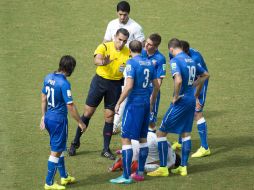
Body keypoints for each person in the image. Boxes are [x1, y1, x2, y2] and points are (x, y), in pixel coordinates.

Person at [147, 38, 209, 177]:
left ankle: (163, 168)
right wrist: (196, 91)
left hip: (180, 101)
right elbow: (205, 74)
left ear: (171, 49)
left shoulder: (175, 60)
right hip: (191, 100)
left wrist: (175, 96)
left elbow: (179, 80)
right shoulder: (191, 59)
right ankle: (183, 167)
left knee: (161, 133)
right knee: (186, 133)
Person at [68, 28, 130, 160]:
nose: (121, 43)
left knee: (109, 116)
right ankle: (75, 142)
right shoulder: (104, 47)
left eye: (124, 41)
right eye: (119, 40)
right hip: (99, 83)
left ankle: (106, 149)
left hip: (115, 85)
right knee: (88, 113)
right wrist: (103, 62)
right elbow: (96, 60)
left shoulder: (128, 52)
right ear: (115, 37)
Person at [110, 40, 160, 184]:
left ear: (129, 50)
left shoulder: (132, 63)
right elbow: (157, 86)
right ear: (143, 48)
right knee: (142, 138)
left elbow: (129, 86)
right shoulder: (150, 63)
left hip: (134, 105)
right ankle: (139, 173)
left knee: (126, 138)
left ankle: (126, 176)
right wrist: (151, 102)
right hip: (145, 104)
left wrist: (118, 103)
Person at [40, 55, 86, 190]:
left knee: (60, 148)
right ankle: (49, 183)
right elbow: (70, 106)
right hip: (58, 120)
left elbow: (43, 98)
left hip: (48, 117)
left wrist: (43, 116)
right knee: (55, 151)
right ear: (70, 68)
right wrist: (80, 122)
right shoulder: (64, 83)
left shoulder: (48, 77)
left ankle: (64, 176)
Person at [172, 40, 211, 158]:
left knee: (197, 112)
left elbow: (202, 77)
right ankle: (180, 141)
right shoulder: (175, 54)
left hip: (199, 82)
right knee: (183, 107)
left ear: (186, 51)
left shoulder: (195, 58)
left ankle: (205, 147)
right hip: (186, 82)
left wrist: (196, 96)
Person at [109, 130, 181, 173]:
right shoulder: (172, 161)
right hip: (145, 144)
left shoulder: (169, 146)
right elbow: (167, 165)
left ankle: (124, 161)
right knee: (158, 166)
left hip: (135, 138)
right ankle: (132, 166)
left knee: (147, 155)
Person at [141, 33, 166, 131]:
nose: (146, 45)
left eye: (149, 44)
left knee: (150, 121)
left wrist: (153, 98)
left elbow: (159, 81)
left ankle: (152, 143)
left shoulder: (160, 59)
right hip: (140, 90)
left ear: (156, 47)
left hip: (152, 91)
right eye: (146, 42)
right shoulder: (142, 52)